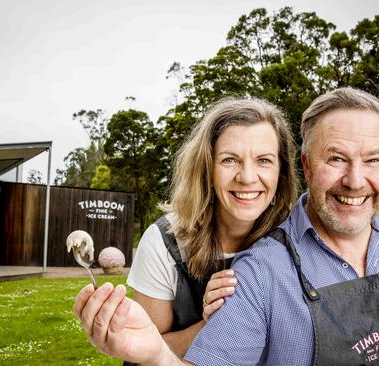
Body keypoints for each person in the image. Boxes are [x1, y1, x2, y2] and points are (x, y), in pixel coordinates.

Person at [74, 88, 379, 366]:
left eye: (373, 160)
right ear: (306, 165)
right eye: (335, 158)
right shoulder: (256, 267)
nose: (355, 181)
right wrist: (153, 354)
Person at [120, 97, 299, 359]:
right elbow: (143, 352)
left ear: (281, 171)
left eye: (264, 160)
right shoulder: (164, 242)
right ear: (207, 168)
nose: (247, 177)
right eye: (229, 160)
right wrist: (213, 324)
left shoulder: (295, 237)